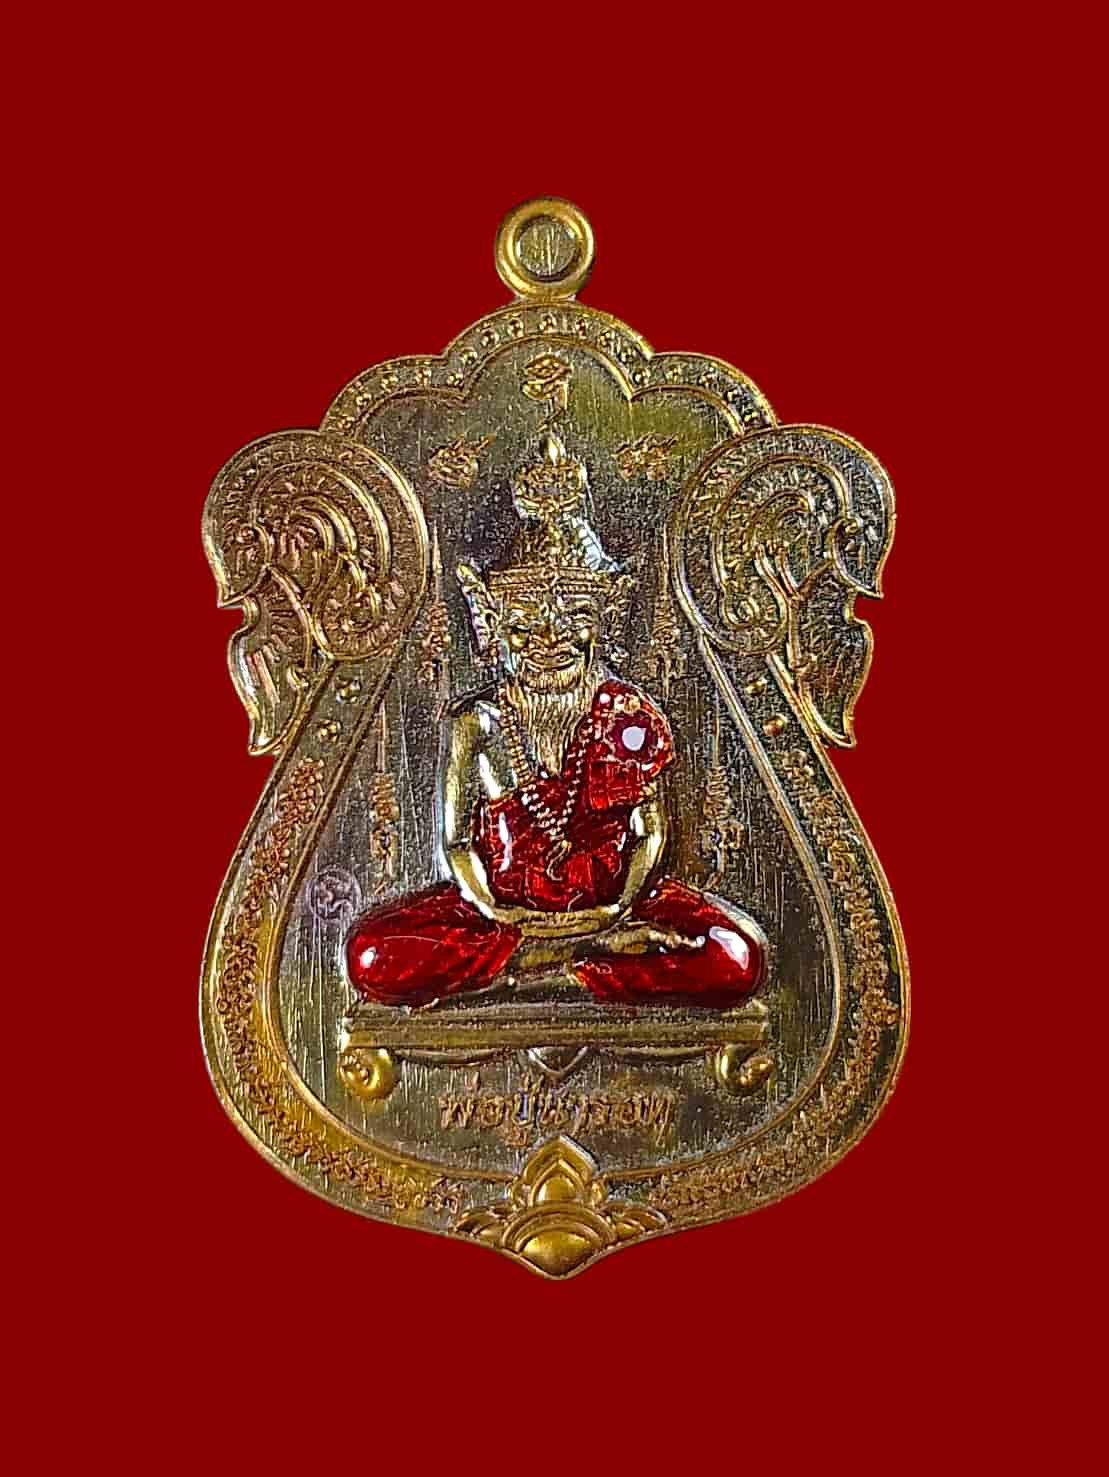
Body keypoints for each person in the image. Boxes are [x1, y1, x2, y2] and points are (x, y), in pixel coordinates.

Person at [346, 434, 766, 1009]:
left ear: (605, 618)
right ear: (493, 625)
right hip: (504, 919)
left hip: (617, 908)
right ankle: (572, 963)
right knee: (372, 954)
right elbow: (457, 841)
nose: (550, 638)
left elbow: (651, 830)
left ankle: (547, 968)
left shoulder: (625, 715)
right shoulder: (480, 723)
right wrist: (500, 911)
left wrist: (616, 908)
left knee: (735, 957)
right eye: (526, 622)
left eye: (573, 616)